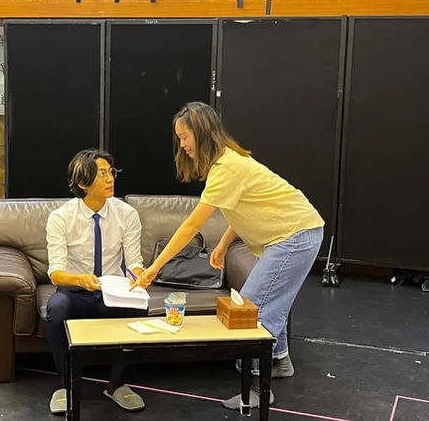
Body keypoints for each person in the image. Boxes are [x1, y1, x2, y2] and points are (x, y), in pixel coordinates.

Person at [131, 101, 324, 410]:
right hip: (295, 233)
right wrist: (222, 244)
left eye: (184, 137)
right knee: (272, 302)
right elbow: (242, 207)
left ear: (201, 132)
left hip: (294, 235)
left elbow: (191, 225)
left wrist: (154, 267)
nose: (182, 145)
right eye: (179, 138)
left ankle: (258, 389)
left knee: (251, 309)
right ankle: (280, 360)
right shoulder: (226, 163)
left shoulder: (227, 167)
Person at [45, 148, 147, 415]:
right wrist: (80, 279)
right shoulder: (61, 217)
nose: (110, 179)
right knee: (57, 307)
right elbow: (56, 272)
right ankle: (65, 386)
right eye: (102, 174)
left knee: (139, 306)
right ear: (83, 183)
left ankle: (116, 384)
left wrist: (139, 276)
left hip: (112, 290)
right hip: (75, 289)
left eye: (111, 172)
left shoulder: (127, 214)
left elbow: (133, 261)